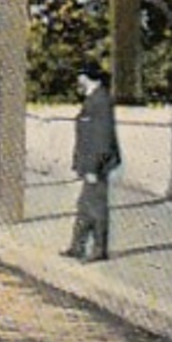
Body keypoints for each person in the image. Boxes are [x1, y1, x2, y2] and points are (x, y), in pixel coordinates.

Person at [64, 63, 121, 263]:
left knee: (96, 207)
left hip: (96, 165)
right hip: (90, 164)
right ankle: (77, 247)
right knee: (84, 205)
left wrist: (93, 168)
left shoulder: (101, 100)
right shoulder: (93, 98)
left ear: (88, 77)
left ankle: (99, 250)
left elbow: (102, 138)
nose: (78, 81)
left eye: (80, 76)